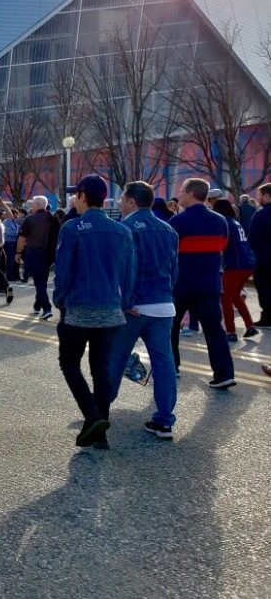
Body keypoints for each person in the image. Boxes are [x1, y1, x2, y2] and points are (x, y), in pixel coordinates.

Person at [54, 175, 136, 449]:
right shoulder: (122, 230)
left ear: (83, 195)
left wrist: (60, 300)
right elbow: (129, 272)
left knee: (69, 363)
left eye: (75, 195)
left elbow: (64, 271)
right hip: (111, 309)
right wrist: (124, 303)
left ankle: (93, 416)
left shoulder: (73, 228)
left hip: (79, 308)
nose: (73, 200)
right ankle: (99, 431)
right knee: (100, 367)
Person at [108, 181, 179, 441]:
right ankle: (164, 421)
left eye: (122, 198)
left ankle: (101, 412)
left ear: (131, 202)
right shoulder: (169, 229)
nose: (119, 203)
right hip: (163, 304)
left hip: (134, 306)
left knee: (114, 358)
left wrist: (125, 302)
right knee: (164, 362)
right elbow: (174, 270)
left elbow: (121, 270)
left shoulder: (124, 228)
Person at [168, 178, 236, 389]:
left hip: (181, 283)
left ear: (190, 194)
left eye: (181, 191)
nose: (179, 195)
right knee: (214, 330)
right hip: (210, 282)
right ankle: (224, 373)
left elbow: (168, 254)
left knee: (170, 329)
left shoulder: (177, 222)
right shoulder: (220, 221)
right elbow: (223, 247)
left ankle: (173, 368)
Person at [212, 199, 259, 342]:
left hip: (234, 265)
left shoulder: (224, 222)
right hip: (246, 263)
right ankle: (250, 325)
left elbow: (221, 244)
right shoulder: (235, 222)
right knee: (235, 296)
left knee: (226, 298)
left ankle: (231, 332)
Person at [15, 195, 58, 320]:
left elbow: (22, 238)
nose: (31, 206)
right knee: (42, 280)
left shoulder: (30, 219)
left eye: (33, 204)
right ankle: (37, 305)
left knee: (39, 282)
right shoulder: (53, 218)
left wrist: (18, 253)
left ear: (38, 205)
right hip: (49, 253)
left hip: (35, 252)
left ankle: (47, 308)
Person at [248, 182, 271, 328]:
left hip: (264, 259)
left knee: (264, 288)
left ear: (267, 196)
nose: (257, 198)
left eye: (259, 195)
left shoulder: (261, 214)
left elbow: (252, 238)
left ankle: (267, 317)